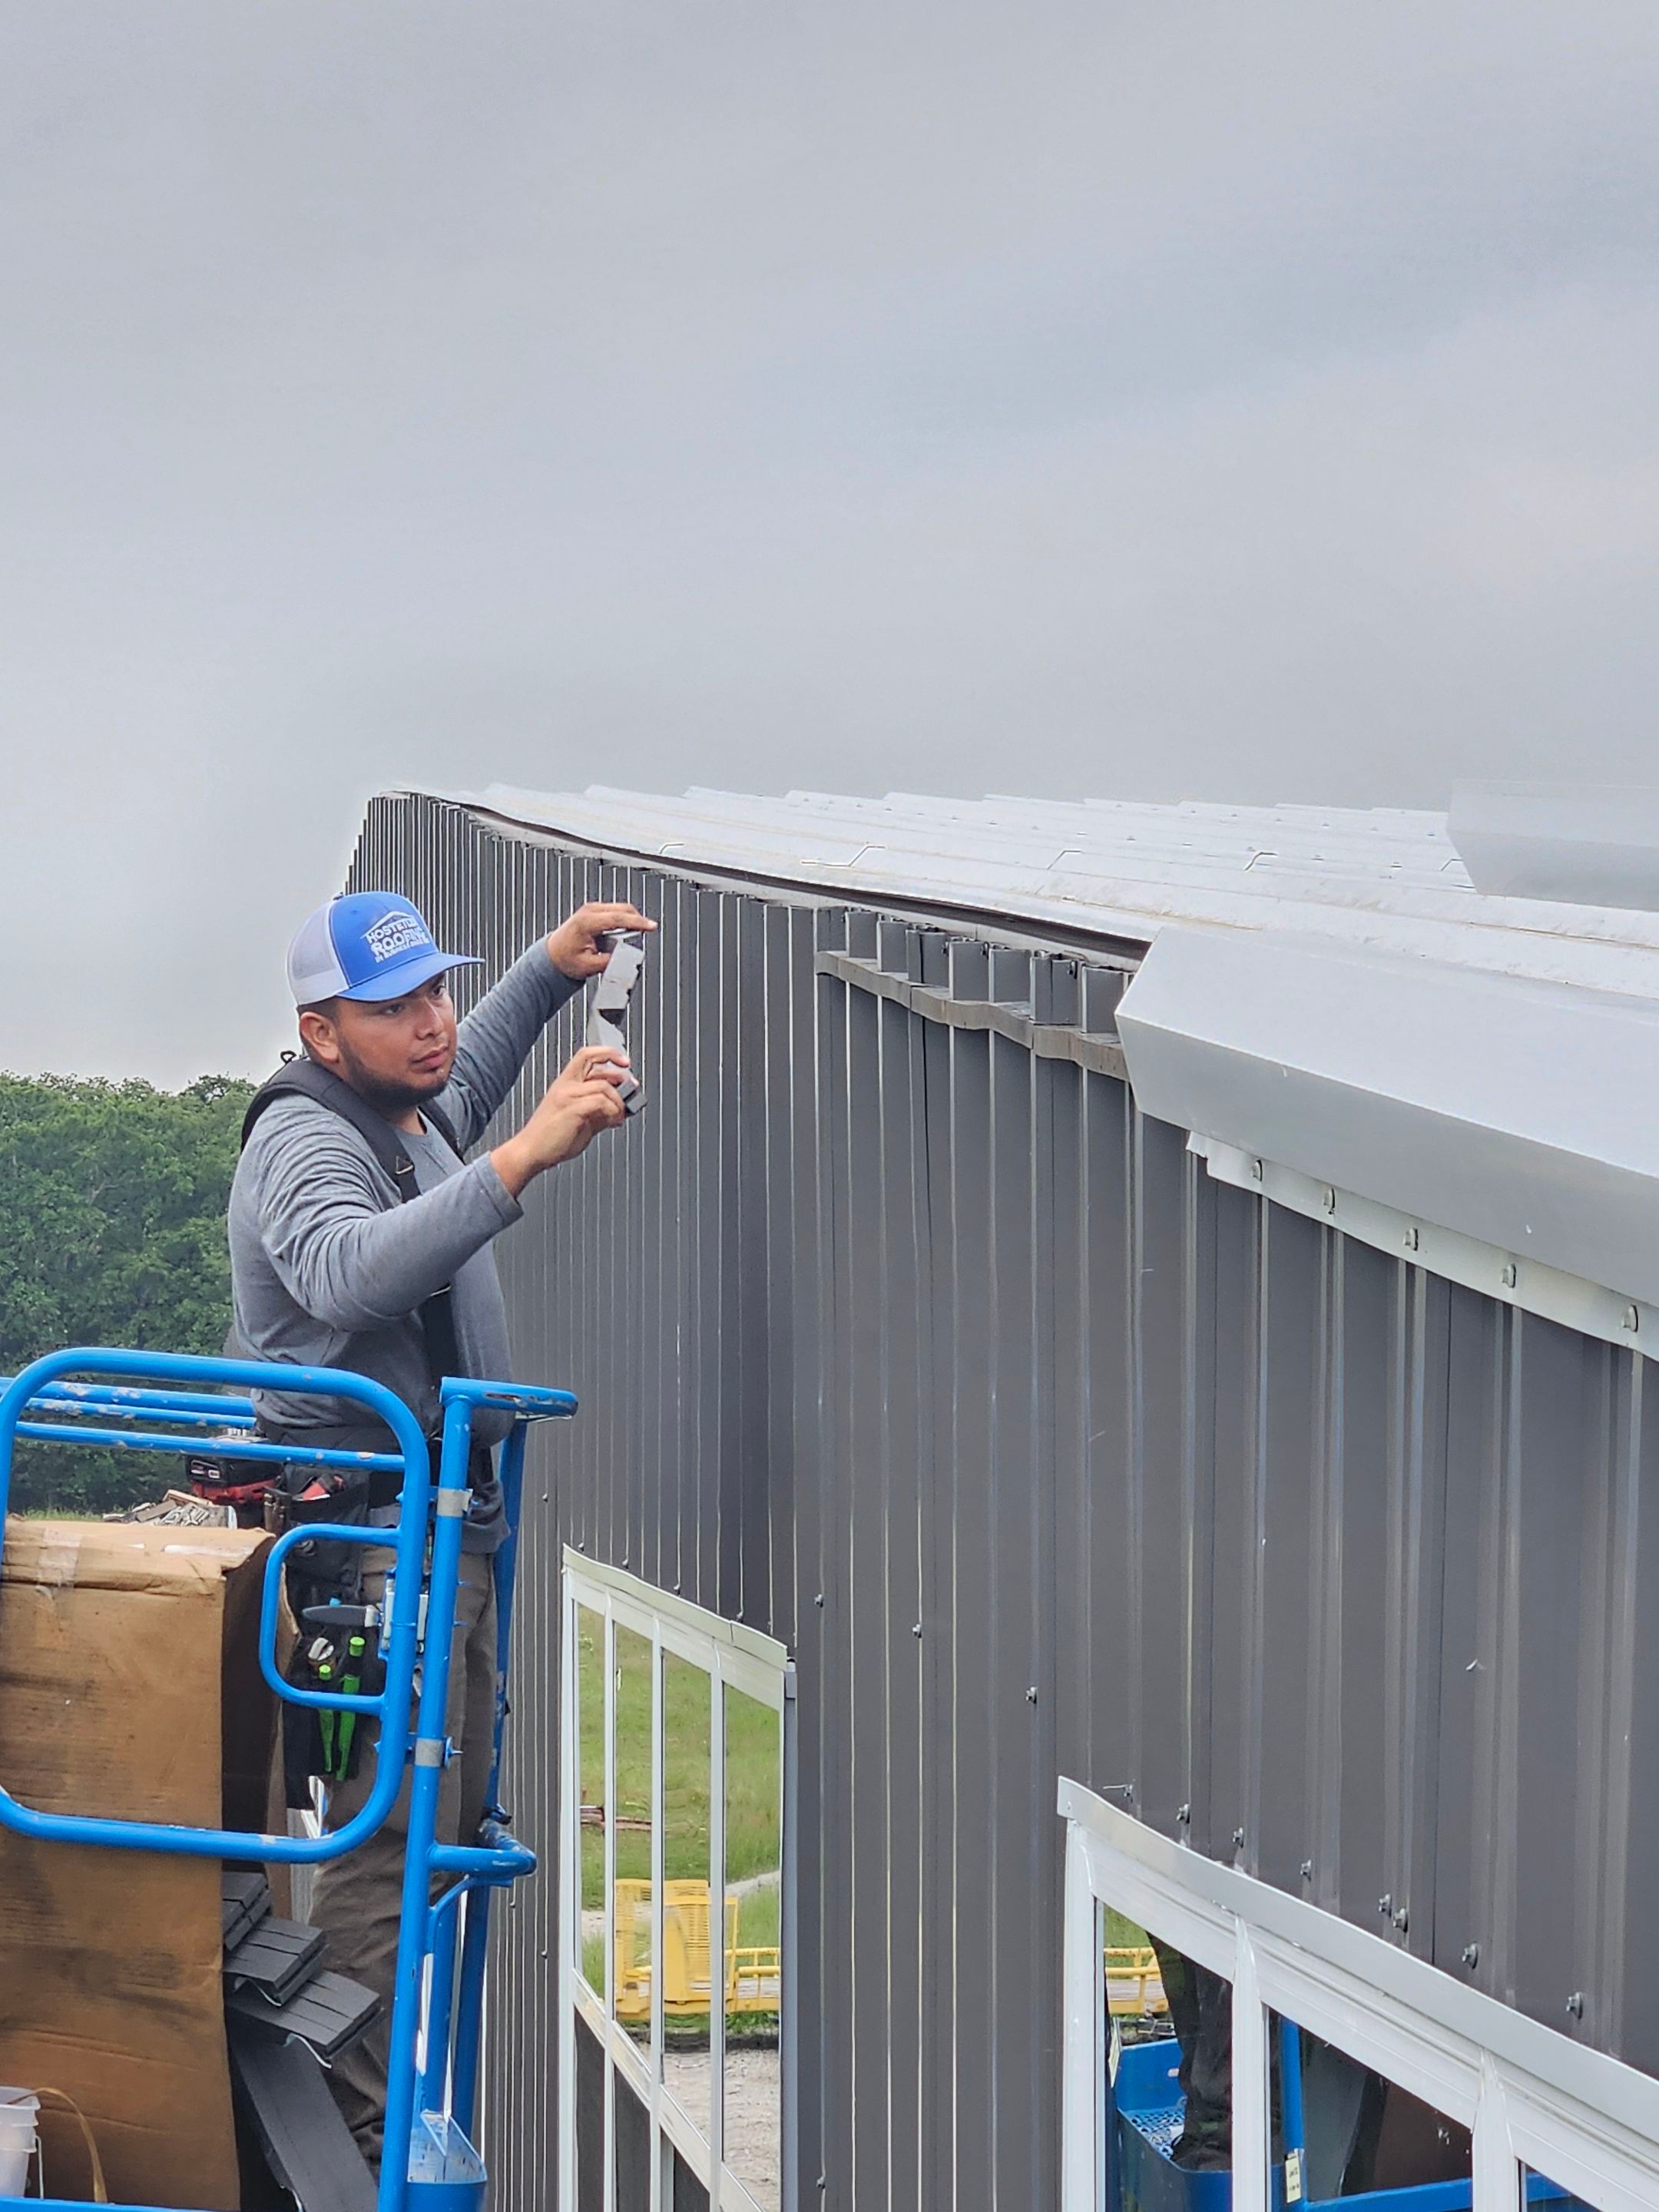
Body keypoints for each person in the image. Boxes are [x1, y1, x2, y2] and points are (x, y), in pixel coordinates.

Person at [228, 886, 652, 2164]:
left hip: (440, 1531)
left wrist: (546, 971)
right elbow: (349, 1269)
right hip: (375, 1543)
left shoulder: (395, 1113)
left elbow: (459, 1097)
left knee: (441, 1824)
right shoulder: (305, 1143)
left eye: (435, 993)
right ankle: (350, 2134)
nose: (430, 1024)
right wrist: (527, 1156)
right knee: (386, 1839)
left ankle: (368, 2106)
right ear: (320, 1032)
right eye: (393, 1006)